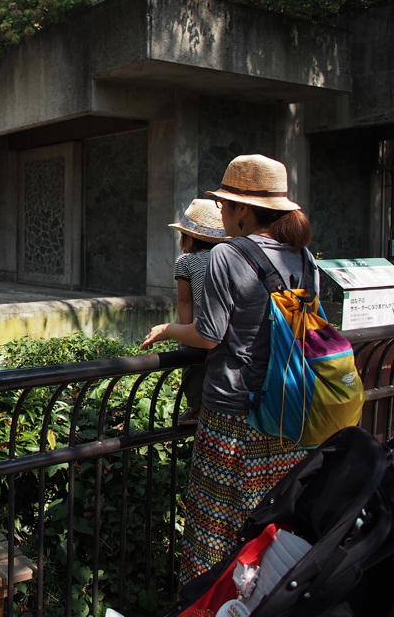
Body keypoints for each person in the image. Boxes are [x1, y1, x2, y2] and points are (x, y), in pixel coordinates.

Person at [140, 154, 318, 586]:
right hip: (287, 411)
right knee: (269, 526)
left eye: (224, 203)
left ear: (242, 209)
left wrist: (166, 330)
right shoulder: (304, 256)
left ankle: (208, 605)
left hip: (232, 413)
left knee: (213, 529)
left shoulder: (227, 255)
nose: (219, 210)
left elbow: (209, 335)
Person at [168, 199, 227, 425]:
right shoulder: (231, 257)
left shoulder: (186, 261)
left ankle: (195, 409)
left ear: (188, 237)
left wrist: (184, 334)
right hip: (230, 324)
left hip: (206, 322)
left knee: (193, 360)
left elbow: (185, 301)